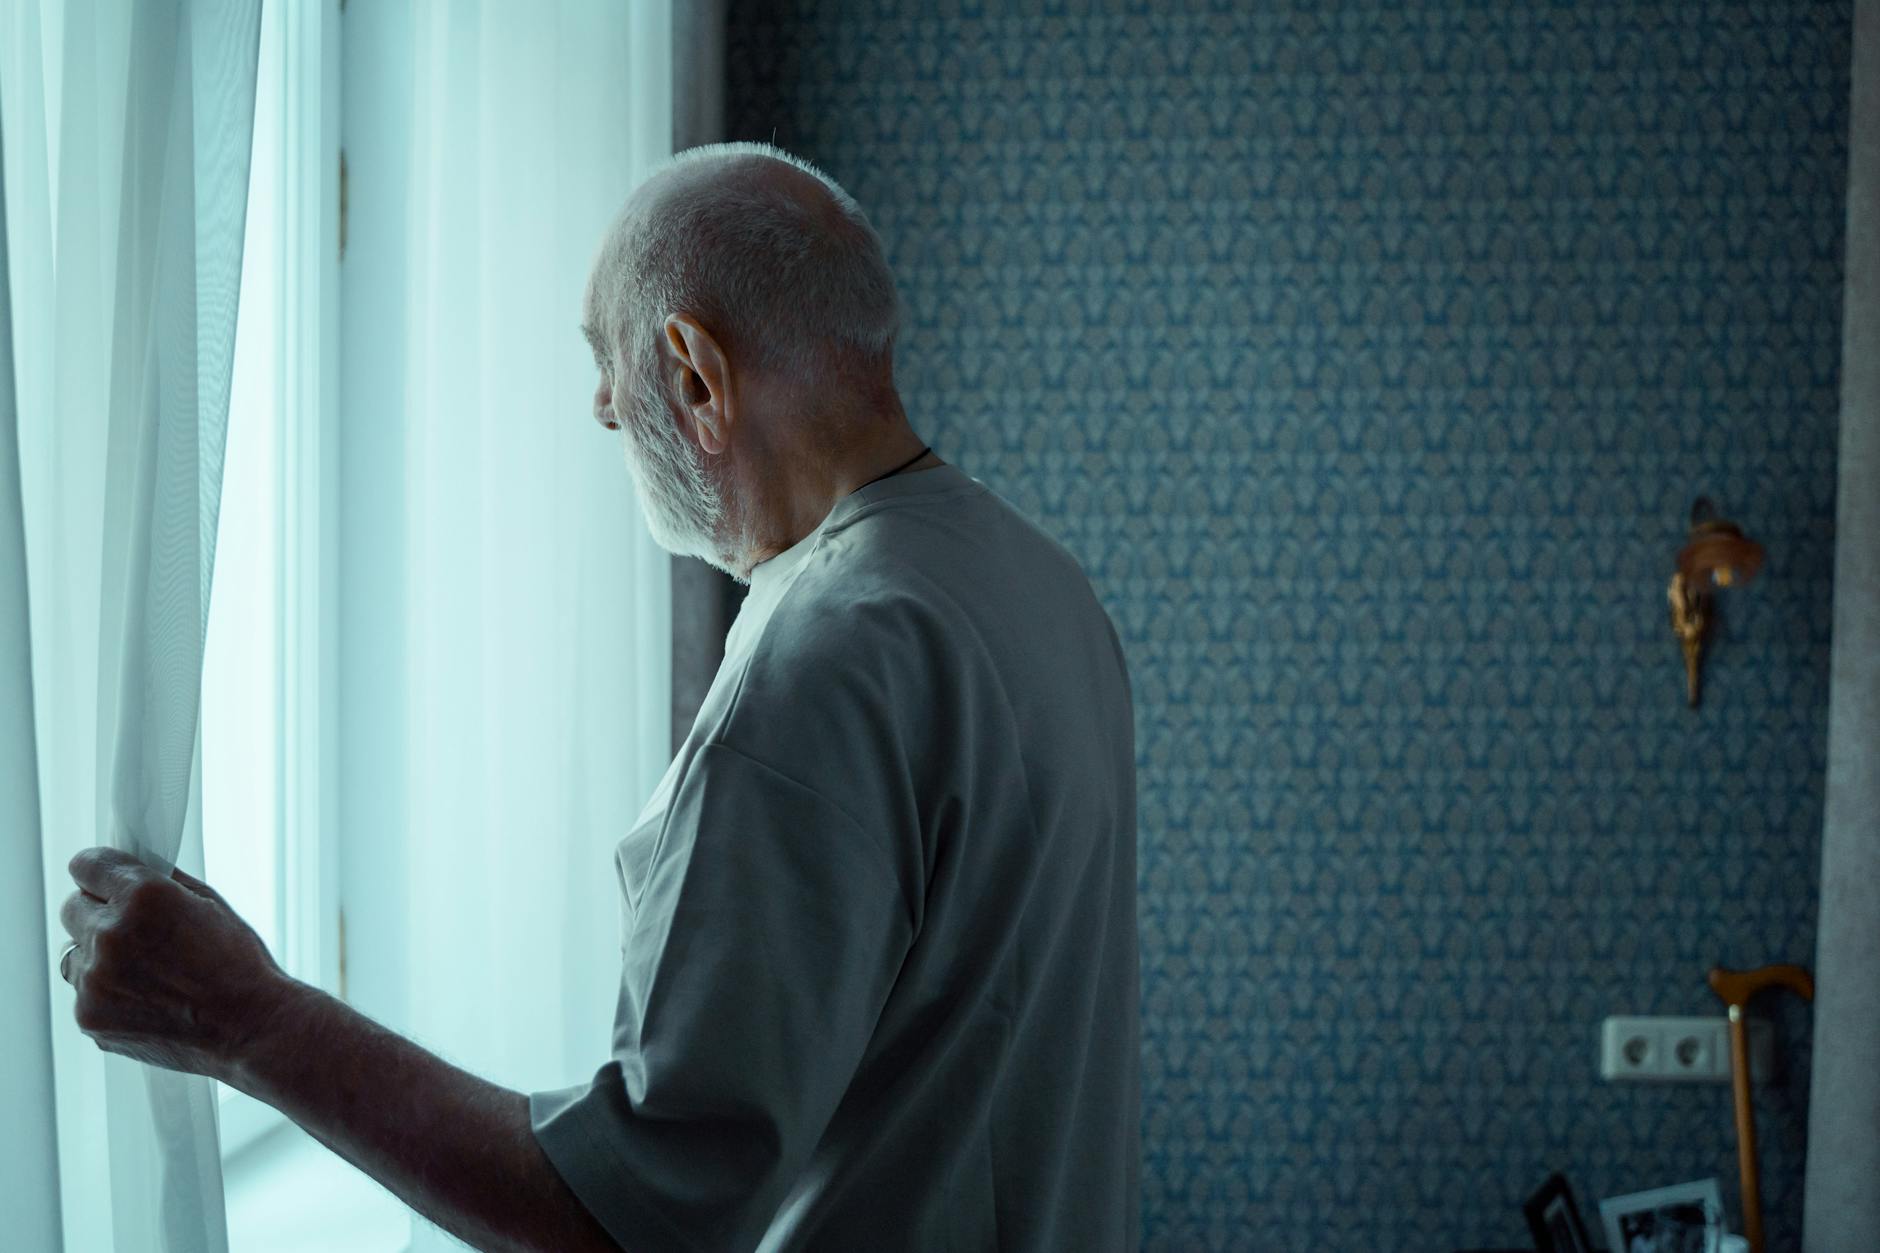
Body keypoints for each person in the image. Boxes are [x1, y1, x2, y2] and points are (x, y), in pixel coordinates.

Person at [57, 141, 1140, 1252]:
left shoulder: (816, 664)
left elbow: (630, 1219)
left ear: (694, 373)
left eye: (605, 357)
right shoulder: (1038, 582)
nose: (602, 407)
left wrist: (246, 1016)